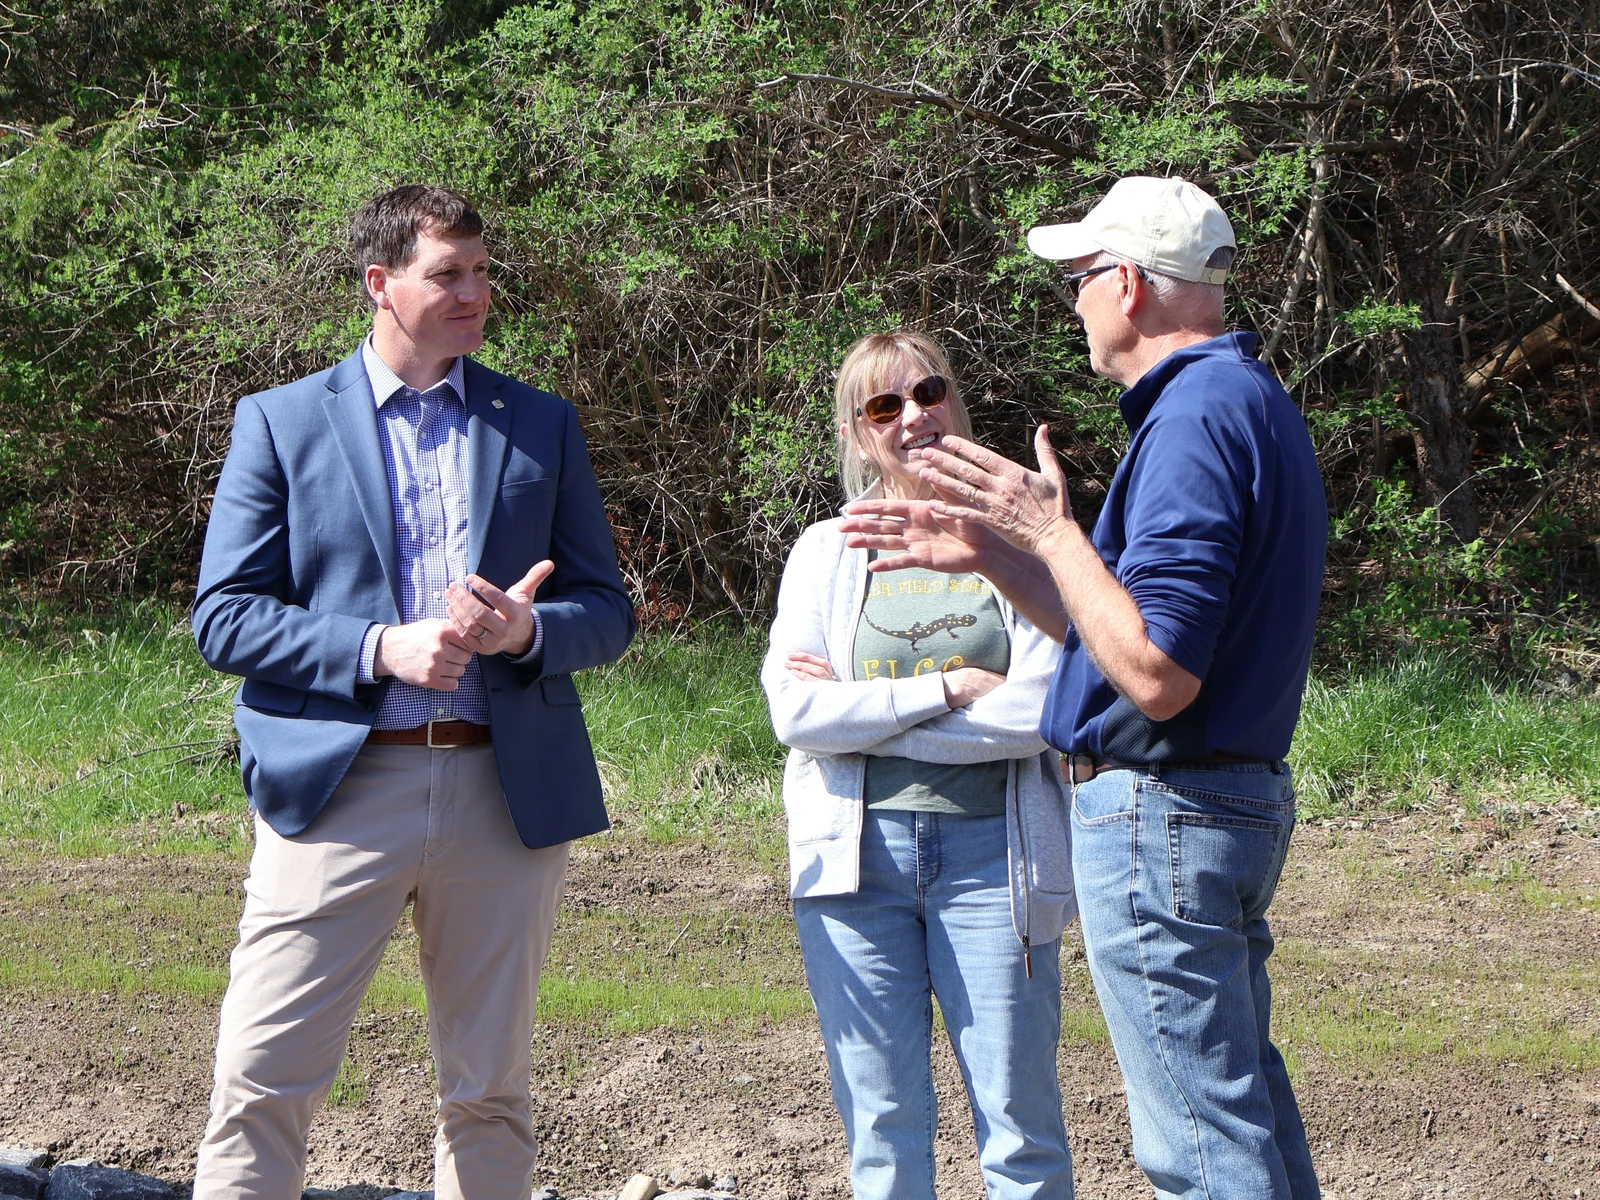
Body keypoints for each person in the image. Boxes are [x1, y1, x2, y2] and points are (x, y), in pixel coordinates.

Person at [840, 178, 1327, 1200]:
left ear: (1132, 285)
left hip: (1167, 815)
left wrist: (1052, 531)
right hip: (1215, 806)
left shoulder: (1193, 417)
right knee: (1243, 1114)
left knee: (1199, 1148)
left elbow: (1153, 675)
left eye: (1080, 279)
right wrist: (995, 556)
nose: (1073, 304)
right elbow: (1119, 641)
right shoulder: (1245, 399)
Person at [190, 184, 635, 1200]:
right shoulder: (282, 422)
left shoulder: (539, 423)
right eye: (449, 274)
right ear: (380, 285)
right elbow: (223, 616)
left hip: (500, 792)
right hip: (340, 794)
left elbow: (606, 611)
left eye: (483, 272)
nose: (476, 293)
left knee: (489, 1095)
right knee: (262, 1084)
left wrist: (526, 630)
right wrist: (378, 648)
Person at [761, 330, 1077, 1200]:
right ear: (859, 431)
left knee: (1021, 1130)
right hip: (855, 869)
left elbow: (1042, 715)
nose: (914, 417)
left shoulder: (1020, 542)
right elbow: (797, 713)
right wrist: (951, 687)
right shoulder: (825, 551)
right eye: (884, 405)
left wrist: (858, 719)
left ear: (954, 400)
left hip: (996, 865)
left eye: (928, 392)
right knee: (882, 1127)